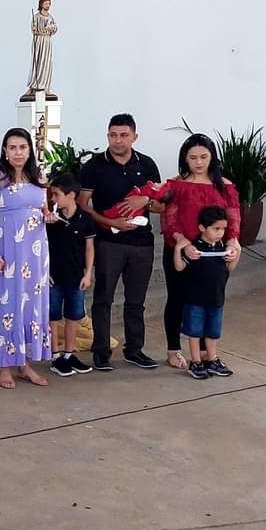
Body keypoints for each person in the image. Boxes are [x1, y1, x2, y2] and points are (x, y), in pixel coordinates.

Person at [78, 114, 163, 371]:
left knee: (136, 301)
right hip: (108, 242)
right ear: (107, 136)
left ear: (134, 137)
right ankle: (101, 351)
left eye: (124, 135)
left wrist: (145, 201)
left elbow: (162, 205)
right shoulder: (94, 166)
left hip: (142, 243)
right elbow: (83, 205)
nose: (118, 140)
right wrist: (110, 222)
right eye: (113, 135)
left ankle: (134, 350)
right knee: (103, 298)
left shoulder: (146, 164)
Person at [160, 134, 242, 371]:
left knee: (209, 301)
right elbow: (169, 219)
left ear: (212, 157)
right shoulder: (175, 185)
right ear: (184, 159)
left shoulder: (225, 186)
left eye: (204, 157)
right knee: (177, 299)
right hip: (182, 249)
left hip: (214, 254)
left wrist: (232, 242)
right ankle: (173, 350)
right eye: (193, 157)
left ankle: (207, 354)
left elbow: (233, 218)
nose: (199, 162)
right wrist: (183, 243)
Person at [0, 128, 52, 389]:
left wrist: (49, 215)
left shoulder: (39, 176)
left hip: (35, 254)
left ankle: (25, 364)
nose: (18, 152)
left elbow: (44, 209)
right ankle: (4, 366)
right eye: (12, 148)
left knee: (31, 306)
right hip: (8, 252)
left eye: (22, 147)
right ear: (5, 151)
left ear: (29, 150)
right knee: (7, 306)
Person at [173, 206, 239, 379]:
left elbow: (229, 268)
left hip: (216, 299)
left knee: (213, 332)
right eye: (216, 229)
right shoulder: (195, 248)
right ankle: (196, 362)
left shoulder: (222, 247)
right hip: (195, 299)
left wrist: (236, 252)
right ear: (202, 227)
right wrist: (178, 249)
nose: (220, 233)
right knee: (195, 332)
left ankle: (212, 359)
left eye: (223, 229)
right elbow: (179, 267)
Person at [45, 174, 97, 376]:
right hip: (54, 276)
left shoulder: (85, 219)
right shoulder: (51, 220)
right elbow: (41, 248)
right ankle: (55, 356)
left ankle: (68, 354)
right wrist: (45, 272)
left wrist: (88, 273)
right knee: (53, 316)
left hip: (76, 276)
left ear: (71, 195)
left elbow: (89, 247)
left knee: (73, 316)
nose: (53, 199)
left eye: (56, 194)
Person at [23, 0, 58, 100]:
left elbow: (55, 28)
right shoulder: (36, 16)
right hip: (39, 41)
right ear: (42, 4)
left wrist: (51, 29)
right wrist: (34, 28)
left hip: (47, 41)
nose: (48, 5)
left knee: (46, 63)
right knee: (37, 63)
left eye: (49, 4)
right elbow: (33, 29)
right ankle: (32, 86)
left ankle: (46, 87)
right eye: (46, 3)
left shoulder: (50, 17)